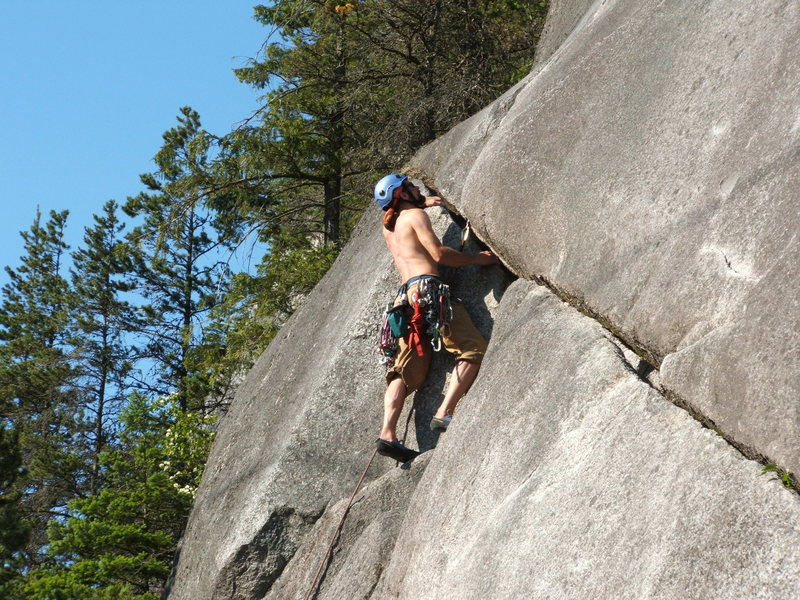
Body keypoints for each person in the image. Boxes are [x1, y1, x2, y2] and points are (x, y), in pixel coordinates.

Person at [373, 173, 499, 462]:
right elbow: (439, 254)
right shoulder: (414, 214)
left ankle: (388, 433)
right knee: (472, 349)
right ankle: (445, 412)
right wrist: (479, 259)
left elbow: (404, 222)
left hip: (404, 300)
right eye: (410, 186)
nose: (416, 188)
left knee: (403, 371)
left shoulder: (390, 227)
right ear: (402, 194)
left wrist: (423, 203)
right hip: (429, 292)